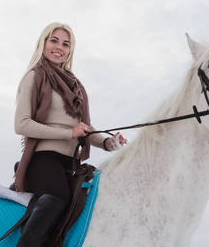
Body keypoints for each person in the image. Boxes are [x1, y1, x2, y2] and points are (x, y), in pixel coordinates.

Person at [13, 22, 126, 247]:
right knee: (59, 197)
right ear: (43, 43)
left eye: (66, 44)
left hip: (71, 163)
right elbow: (21, 124)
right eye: (54, 40)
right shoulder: (34, 77)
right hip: (42, 159)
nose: (59, 47)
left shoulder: (76, 86)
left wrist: (106, 142)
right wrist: (68, 133)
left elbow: (83, 129)